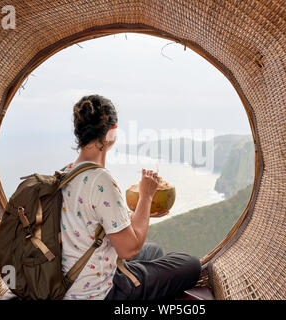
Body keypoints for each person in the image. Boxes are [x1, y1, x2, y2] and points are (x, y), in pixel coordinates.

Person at [60, 94, 201, 300]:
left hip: (69, 283)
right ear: (112, 132)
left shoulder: (66, 173)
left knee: (153, 250)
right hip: (99, 293)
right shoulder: (101, 180)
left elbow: (92, 223)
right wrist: (146, 196)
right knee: (190, 264)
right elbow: (130, 250)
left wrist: (143, 213)